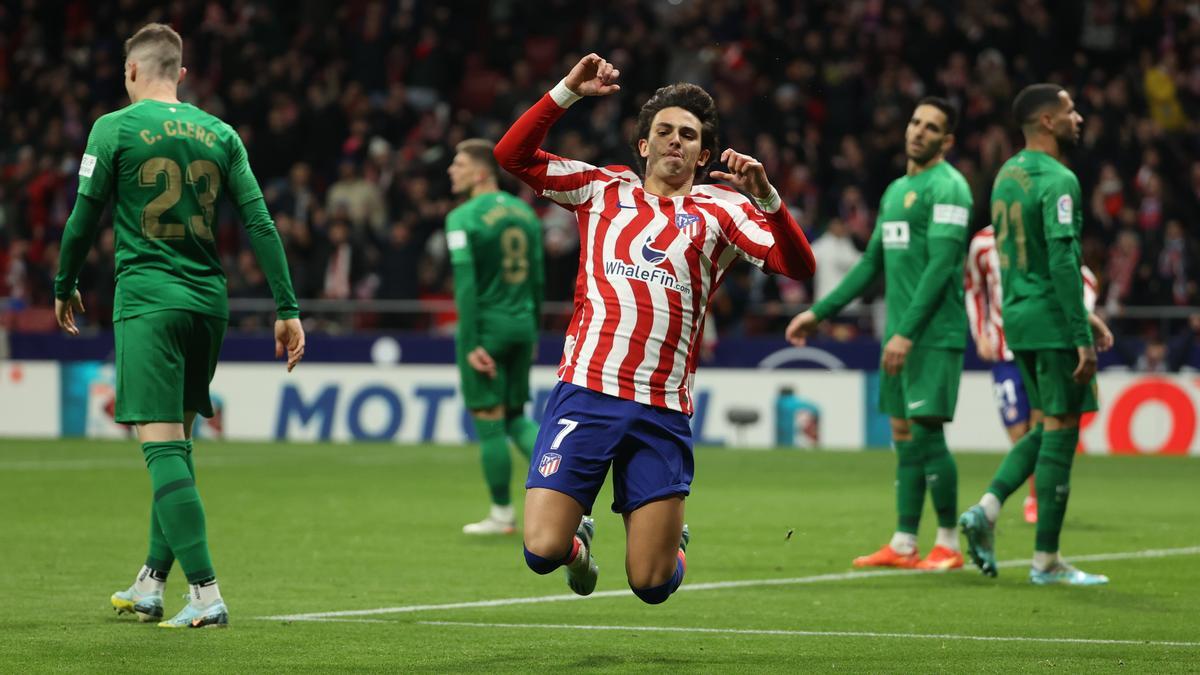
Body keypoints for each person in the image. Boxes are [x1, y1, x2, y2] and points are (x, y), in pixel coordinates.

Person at [494, 54, 815, 603]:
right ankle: (579, 545)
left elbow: (798, 267)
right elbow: (511, 155)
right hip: (587, 394)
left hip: (660, 408)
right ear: (642, 145)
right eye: (663, 132)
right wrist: (566, 92)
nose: (674, 141)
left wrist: (766, 196)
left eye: (687, 135)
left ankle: (673, 546)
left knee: (650, 585)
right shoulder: (601, 190)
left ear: (703, 153)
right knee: (542, 550)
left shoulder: (724, 210)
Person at [53, 24, 305, 628]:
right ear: (181, 74)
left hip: (148, 301)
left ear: (132, 72)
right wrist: (287, 307)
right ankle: (150, 582)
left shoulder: (112, 128)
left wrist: (64, 283)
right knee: (180, 444)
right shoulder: (221, 133)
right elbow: (262, 224)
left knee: (160, 446)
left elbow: (83, 218)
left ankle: (205, 593)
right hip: (207, 306)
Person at [786, 98, 972, 571]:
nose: (918, 132)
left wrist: (906, 332)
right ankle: (905, 543)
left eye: (931, 128)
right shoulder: (895, 192)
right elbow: (872, 263)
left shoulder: (950, 188)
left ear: (946, 141)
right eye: (914, 122)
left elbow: (942, 265)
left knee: (928, 435)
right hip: (899, 333)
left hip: (931, 333)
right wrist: (819, 312)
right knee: (903, 434)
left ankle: (949, 543)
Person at [958, 84, 1109, 586]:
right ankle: (1047, 561)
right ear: (1047, 121)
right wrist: (1080, 333)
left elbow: (1028, 258)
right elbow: (1063, 260)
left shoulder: (1006, 176)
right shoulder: (1059, 178)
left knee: (1046, 425)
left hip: (1017, 319)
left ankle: (987, 507)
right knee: (1063, 432)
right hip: (1051, 319)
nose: (1078, 116)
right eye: (1070, 109)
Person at [965, 226, 1104, 523]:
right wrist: (979, 334)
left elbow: (1079, 278)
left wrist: (1083, 320)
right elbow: (974, 288)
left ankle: (1035, 498)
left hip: (1044, 346)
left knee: (1044, 424)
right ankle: (1013, 502)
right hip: (1005, 351)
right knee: (1019, 432)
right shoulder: (982, 243)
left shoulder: (1041, 235)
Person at [445, 138, 545, 535]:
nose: (452, 170)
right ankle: (568, 481)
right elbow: (538, 279)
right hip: (522, 325)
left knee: (489, 419)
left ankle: (502, 514)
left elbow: (466, 289)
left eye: (459, 163)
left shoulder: (462, 218)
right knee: (517, 417)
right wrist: (533, 327)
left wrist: (470, 343)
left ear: (481, 172)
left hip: (486, 328)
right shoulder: (526, 213)